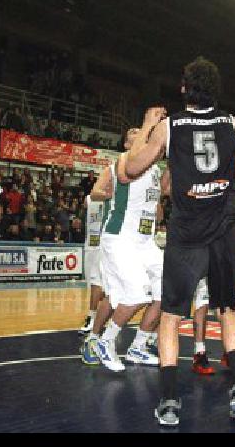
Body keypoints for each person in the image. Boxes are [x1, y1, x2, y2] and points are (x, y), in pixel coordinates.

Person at [124, 56, 235, 426]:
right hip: (224, 225)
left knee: (170, 315)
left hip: (187, 229)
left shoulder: (170, 125)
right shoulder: (232, 123)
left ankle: (168, 401)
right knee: (227, 308)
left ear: (185, 88)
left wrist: (148, 126)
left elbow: (132, 168)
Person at [83, 128, 168, 372]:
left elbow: (157, 201)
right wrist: (105, 194)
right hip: (120, 237)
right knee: (131, 294)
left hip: (145, 240)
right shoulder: (123, 161)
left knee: (165, 292)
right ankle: (102, 340)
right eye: (133, 132)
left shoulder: (154, 170)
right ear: (129, 141)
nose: (138, 132)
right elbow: (98, 191)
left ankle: (138, 346)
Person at [77, 188, 107, 336]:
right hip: (91, 245)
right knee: (97, 285)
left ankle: (92, 316)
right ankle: (100, 315)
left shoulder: (112, 198)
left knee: (97, 283)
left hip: (104, 246)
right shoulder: (90, 198)